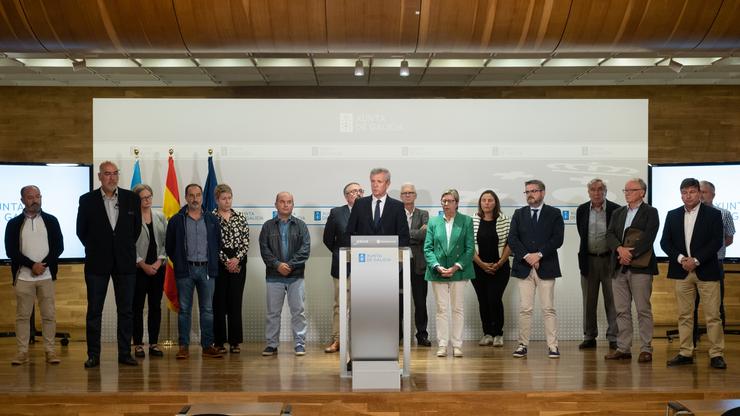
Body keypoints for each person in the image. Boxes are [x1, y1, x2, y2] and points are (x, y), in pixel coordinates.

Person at [76, 161, 141, 368]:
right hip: (97, 263)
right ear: (99, 177)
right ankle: (93, 355)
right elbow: (81, 231)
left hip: (125, 263)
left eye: (115, 174)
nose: (111, 178)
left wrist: (121, 247)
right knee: (95, 310)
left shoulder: (131, 198)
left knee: (126, 311)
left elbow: (136, 230)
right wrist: (99, 248)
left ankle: (124, 353)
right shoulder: (87, 200)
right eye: (107, 174)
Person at [661, 178, 727, 369]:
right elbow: (666, 243)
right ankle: (685, 352)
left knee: (713, 315)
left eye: (691, 192)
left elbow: (716, 241)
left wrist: (696, 260)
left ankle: (716, 354)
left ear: (699, 193)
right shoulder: (672, 215)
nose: (687, 196)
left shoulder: (714, 214)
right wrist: (682, 259)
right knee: (684, 315)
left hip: (707, 270)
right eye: (684, 192)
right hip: (682, 271)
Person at [346, 168, 410, 338]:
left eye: (379, 181)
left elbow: (404, 238)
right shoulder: (360, 204)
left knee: (386, 309)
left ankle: (386, 342)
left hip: (388, 270)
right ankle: (362, 343)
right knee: (364, 309)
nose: (375, 185)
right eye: (373, 181)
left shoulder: (397, 206)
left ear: (387, 184)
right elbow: (350, 233)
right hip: (363, 268)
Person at [5, 185, 63, 365]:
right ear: (22, 200)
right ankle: (22, 353)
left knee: (49, 316)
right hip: (23, 277)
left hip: (46, 277)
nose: (35, 200)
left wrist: (42, 265)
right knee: (22, 316)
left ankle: (50, 351)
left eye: (38, 196)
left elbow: (59, 247)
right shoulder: (13, 223)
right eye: (30, 197)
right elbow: (11, 251)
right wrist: (32, 265)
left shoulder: (51, 220)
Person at [604, 178, 659, 363]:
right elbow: (609, 234)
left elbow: (648, 237)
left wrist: (630, 254)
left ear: (642, 192)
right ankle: (623, 348)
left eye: (631, 190)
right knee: (621, 310)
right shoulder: (618, 212)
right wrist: (620, 250)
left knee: (643, 309)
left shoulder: (651, 212)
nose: (626, 193)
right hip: (618, 266)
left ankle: (646, 349)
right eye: (625, 190)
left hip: (641, 268)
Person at [165, 184, 223, 360]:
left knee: (207, 310)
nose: (195, 199)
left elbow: (217, 243)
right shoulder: (177, 220)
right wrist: (182, 263)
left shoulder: (212, 219)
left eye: (198, 195)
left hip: (207, 269)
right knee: (184, 310)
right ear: (186, 197)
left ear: (202, 196)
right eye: (191, 195)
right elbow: (170, 246)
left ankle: (207, 346)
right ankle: (183, 347)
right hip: (186, 270)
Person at [508, 179, 564, 359]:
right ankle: (522, 345)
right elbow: (513, 239)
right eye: (527, 191)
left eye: (533, 190)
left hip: (546, 266)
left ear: (543, 192)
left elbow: (557, 239)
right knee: (525, 309)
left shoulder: (554, 213)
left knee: (548, 308)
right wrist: (528, 257)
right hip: (524, 267)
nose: (530, 194)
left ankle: (553, 346)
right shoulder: (519, 214)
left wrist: (538, 255)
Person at [424, 189, 475, 358]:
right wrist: (437, 266)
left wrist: (456, 266)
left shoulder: (466, 221)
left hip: (458, 271)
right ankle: (443, 345)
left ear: (457, 202)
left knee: (457, 309)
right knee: (441, 309)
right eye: (443, 201)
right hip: (438, 271)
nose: (446, 204)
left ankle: (457, 345)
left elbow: (470, 249)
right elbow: (428, 248)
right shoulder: (433, 222)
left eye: (449, 201)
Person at [259, 192, 311, 356]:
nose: (286, 205)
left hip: (296, 276)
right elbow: (264, 249)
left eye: (289, 202)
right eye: (282, 202)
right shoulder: (267, 226)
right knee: (273, 313)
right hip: (274, 276)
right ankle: (272, 345)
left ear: (293, 205)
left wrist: (288, 265)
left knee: (298, 311)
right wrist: (277, 265)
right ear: (276, 204)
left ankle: (300, 344)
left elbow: (305, 250)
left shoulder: (301, 225)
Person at [576, 179, 620, 350]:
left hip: (610, 260)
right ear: (588, 192)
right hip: (588, 260)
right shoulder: (581, 210)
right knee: (589, 300)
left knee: (613, 300)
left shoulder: (616, 209)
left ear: (605, 191)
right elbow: (582, 233)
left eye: (600, 189)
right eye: (593, 189)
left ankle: (614, 337)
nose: (596, 192)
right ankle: (589, 336)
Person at [322, 182, 363, 353]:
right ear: (346, 196)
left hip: (365, 265)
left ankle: (359, 341)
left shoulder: (371, 212)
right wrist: (341, 254)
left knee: (362, 305)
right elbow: (328, 239)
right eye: (354, 191)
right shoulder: (337, 212)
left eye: (360, 191)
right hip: (342, 265)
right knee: (340, 305)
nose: (358, 194)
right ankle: (338, 340)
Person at [693, 180, 735, 340]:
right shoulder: (689, 213)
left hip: (715, 263)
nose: (701, 195)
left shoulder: (724, 213)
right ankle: (693, 338)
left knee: (717, 305)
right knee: (692, 305)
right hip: (692, 264)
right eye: (699, 191)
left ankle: (718, 340)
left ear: (713, 194)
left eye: (704, 192)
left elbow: (729, 238)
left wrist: (709, 250)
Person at [212, 183, 249, 354]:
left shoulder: (240, 217)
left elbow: (245, 242)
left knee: (235, 302)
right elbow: (211, 243)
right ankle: (219, 341)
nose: (227, 201)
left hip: (238, 262)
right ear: (217, 200)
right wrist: (226, 261)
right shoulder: (211, 217)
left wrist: (236, 260)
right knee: (219, 303)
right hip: (218, 263)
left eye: (229, 198)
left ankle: (235, 341)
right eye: (223, 198)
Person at [472, 189, 511, 348]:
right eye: (484, 200)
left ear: (496, 203)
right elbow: (468, 245)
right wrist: (482, 264)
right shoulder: (472, 220)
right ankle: (487, 333)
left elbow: (510, 243)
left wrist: (500, 262)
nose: (487, 203)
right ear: (480, 203)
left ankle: (498, 334)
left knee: (494, 299)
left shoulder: (505, 220)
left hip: (500, 268)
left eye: (490, 200)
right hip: (478, 268)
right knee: (483, 300)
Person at [132, 184, 167, 358]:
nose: (147, 200)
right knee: (137, 307)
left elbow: (166, 242)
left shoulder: (160, 216)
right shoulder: (132, 218)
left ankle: (153, 343)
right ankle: (138, 344)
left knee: (155, 306)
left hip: (158, 268)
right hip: (139, 269)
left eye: (149, 196)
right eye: (143, 197)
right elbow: (128, 245)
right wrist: (142, 264)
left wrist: (159, 262)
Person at [400, 182, 431, 347]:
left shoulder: (424, 214)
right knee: (397, 300)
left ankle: (422, 335)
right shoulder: (395, 213)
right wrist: (416, 234)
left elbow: (426, 235)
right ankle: (398, 334)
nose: (407, 195)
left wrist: (407, 234)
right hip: (398, 264)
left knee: (420, 301)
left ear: (415, 195)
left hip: (418, 263)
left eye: (410, 192)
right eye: (404, 193)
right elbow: (398, 236)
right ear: (400, 196)